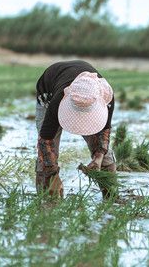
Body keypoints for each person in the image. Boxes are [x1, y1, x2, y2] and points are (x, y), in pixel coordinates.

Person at [35, 60, 116, 197]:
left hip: (85, 91)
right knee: (46, 156)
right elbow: (45, 140)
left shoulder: (106, 97)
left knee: (104, 155)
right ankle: (48, 197)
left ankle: (110, 195)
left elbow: (104, 132)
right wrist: (52, 173)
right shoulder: (57, 102)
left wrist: (98, 157)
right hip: (49, 92)